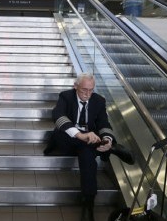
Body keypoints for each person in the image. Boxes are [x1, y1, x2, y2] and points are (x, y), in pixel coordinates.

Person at [44, 72, 134, 221]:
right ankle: (112, 149)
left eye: (91, 90)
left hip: (88, 143)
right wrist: (80, 134)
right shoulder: (66, 96)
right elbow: (58, 116)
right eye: (84, 90)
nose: (88, 94)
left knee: (87, 152)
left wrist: (107, 138)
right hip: (67, 139)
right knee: (83, 141)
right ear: (75, 86)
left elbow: (104, 124)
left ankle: (88, 202)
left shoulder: (99, 100)